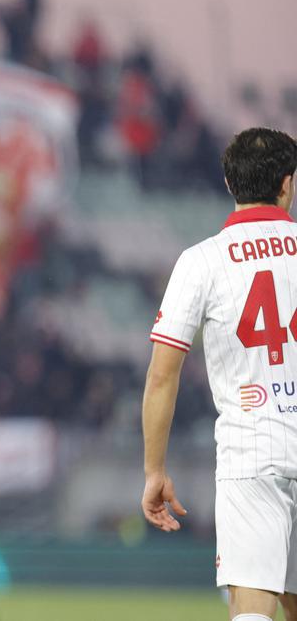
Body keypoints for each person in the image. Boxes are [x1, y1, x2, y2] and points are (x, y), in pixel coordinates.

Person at [142, 127, 297, 621]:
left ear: (229, 183)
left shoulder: (201, 261)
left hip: (251, 454)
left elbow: (162, 376)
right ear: (288, 183)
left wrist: (154, 471)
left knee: (252, 608)